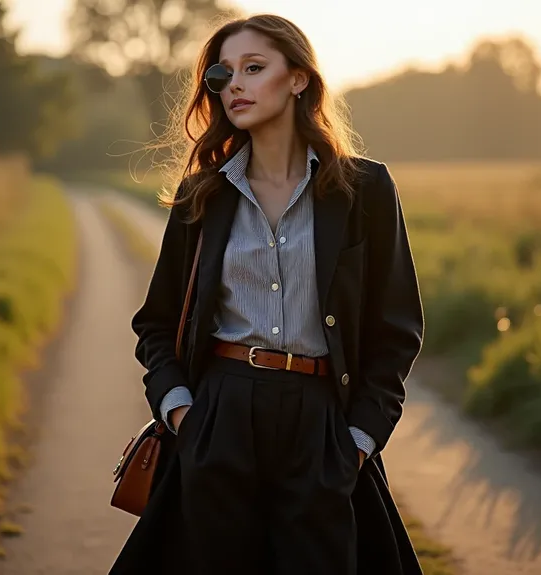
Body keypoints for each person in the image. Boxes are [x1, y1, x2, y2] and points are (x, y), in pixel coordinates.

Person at [109, 12, 425, 575]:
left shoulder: (365, 190)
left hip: (322, 420)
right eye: (222, 75)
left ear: (299, 78)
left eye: (254, 68)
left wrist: (358, 439)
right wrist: (183, 414)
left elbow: (396, 331)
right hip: (220, 414)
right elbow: (156, 324)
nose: (234, 84)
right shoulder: (202, 195)